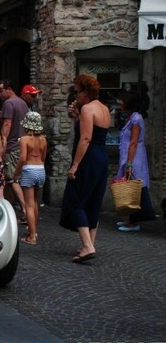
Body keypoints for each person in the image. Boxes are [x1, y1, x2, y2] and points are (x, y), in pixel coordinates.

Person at [60, 74, 110, 263]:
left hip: (88, 157)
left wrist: (75, 165)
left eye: (77, 91)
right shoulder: (103, 108)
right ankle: (89, 244)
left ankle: (87, 245)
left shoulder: (88, 108)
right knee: (94, 201)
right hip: (102, 157)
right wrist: (77, 116)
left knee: (76, 199)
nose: (76, 96)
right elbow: (94, 133)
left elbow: (86, 138)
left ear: (86, 91)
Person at [115, 92, 155, 231]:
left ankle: (133, 223)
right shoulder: (132, 117)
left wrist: (129, 163)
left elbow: (133, 142)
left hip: (134, 157)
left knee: (134, 188)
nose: (119, 103)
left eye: (121, 101)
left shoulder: (136, 118)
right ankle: (130, 220)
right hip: (129, 156)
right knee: (130, 187)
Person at [0, 79, 29, 223]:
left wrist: (2, 144)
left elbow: (7, 124)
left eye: (0, 90)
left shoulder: (8, 103)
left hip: (12, 146)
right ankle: (11, 207)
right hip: (22, 145)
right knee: (14, 178)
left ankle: (25, 210)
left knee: (12, 178)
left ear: (9, 89)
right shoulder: (22, 103)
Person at [14, 112, 47, 245]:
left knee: (28, 205)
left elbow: (22, 158)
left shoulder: (24, 139)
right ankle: (34, 230)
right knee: (34, 202)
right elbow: (44, 157)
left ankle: (32, 236)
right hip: (41, 170)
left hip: (29, 170)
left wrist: (16, 174)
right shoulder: (44, 140)